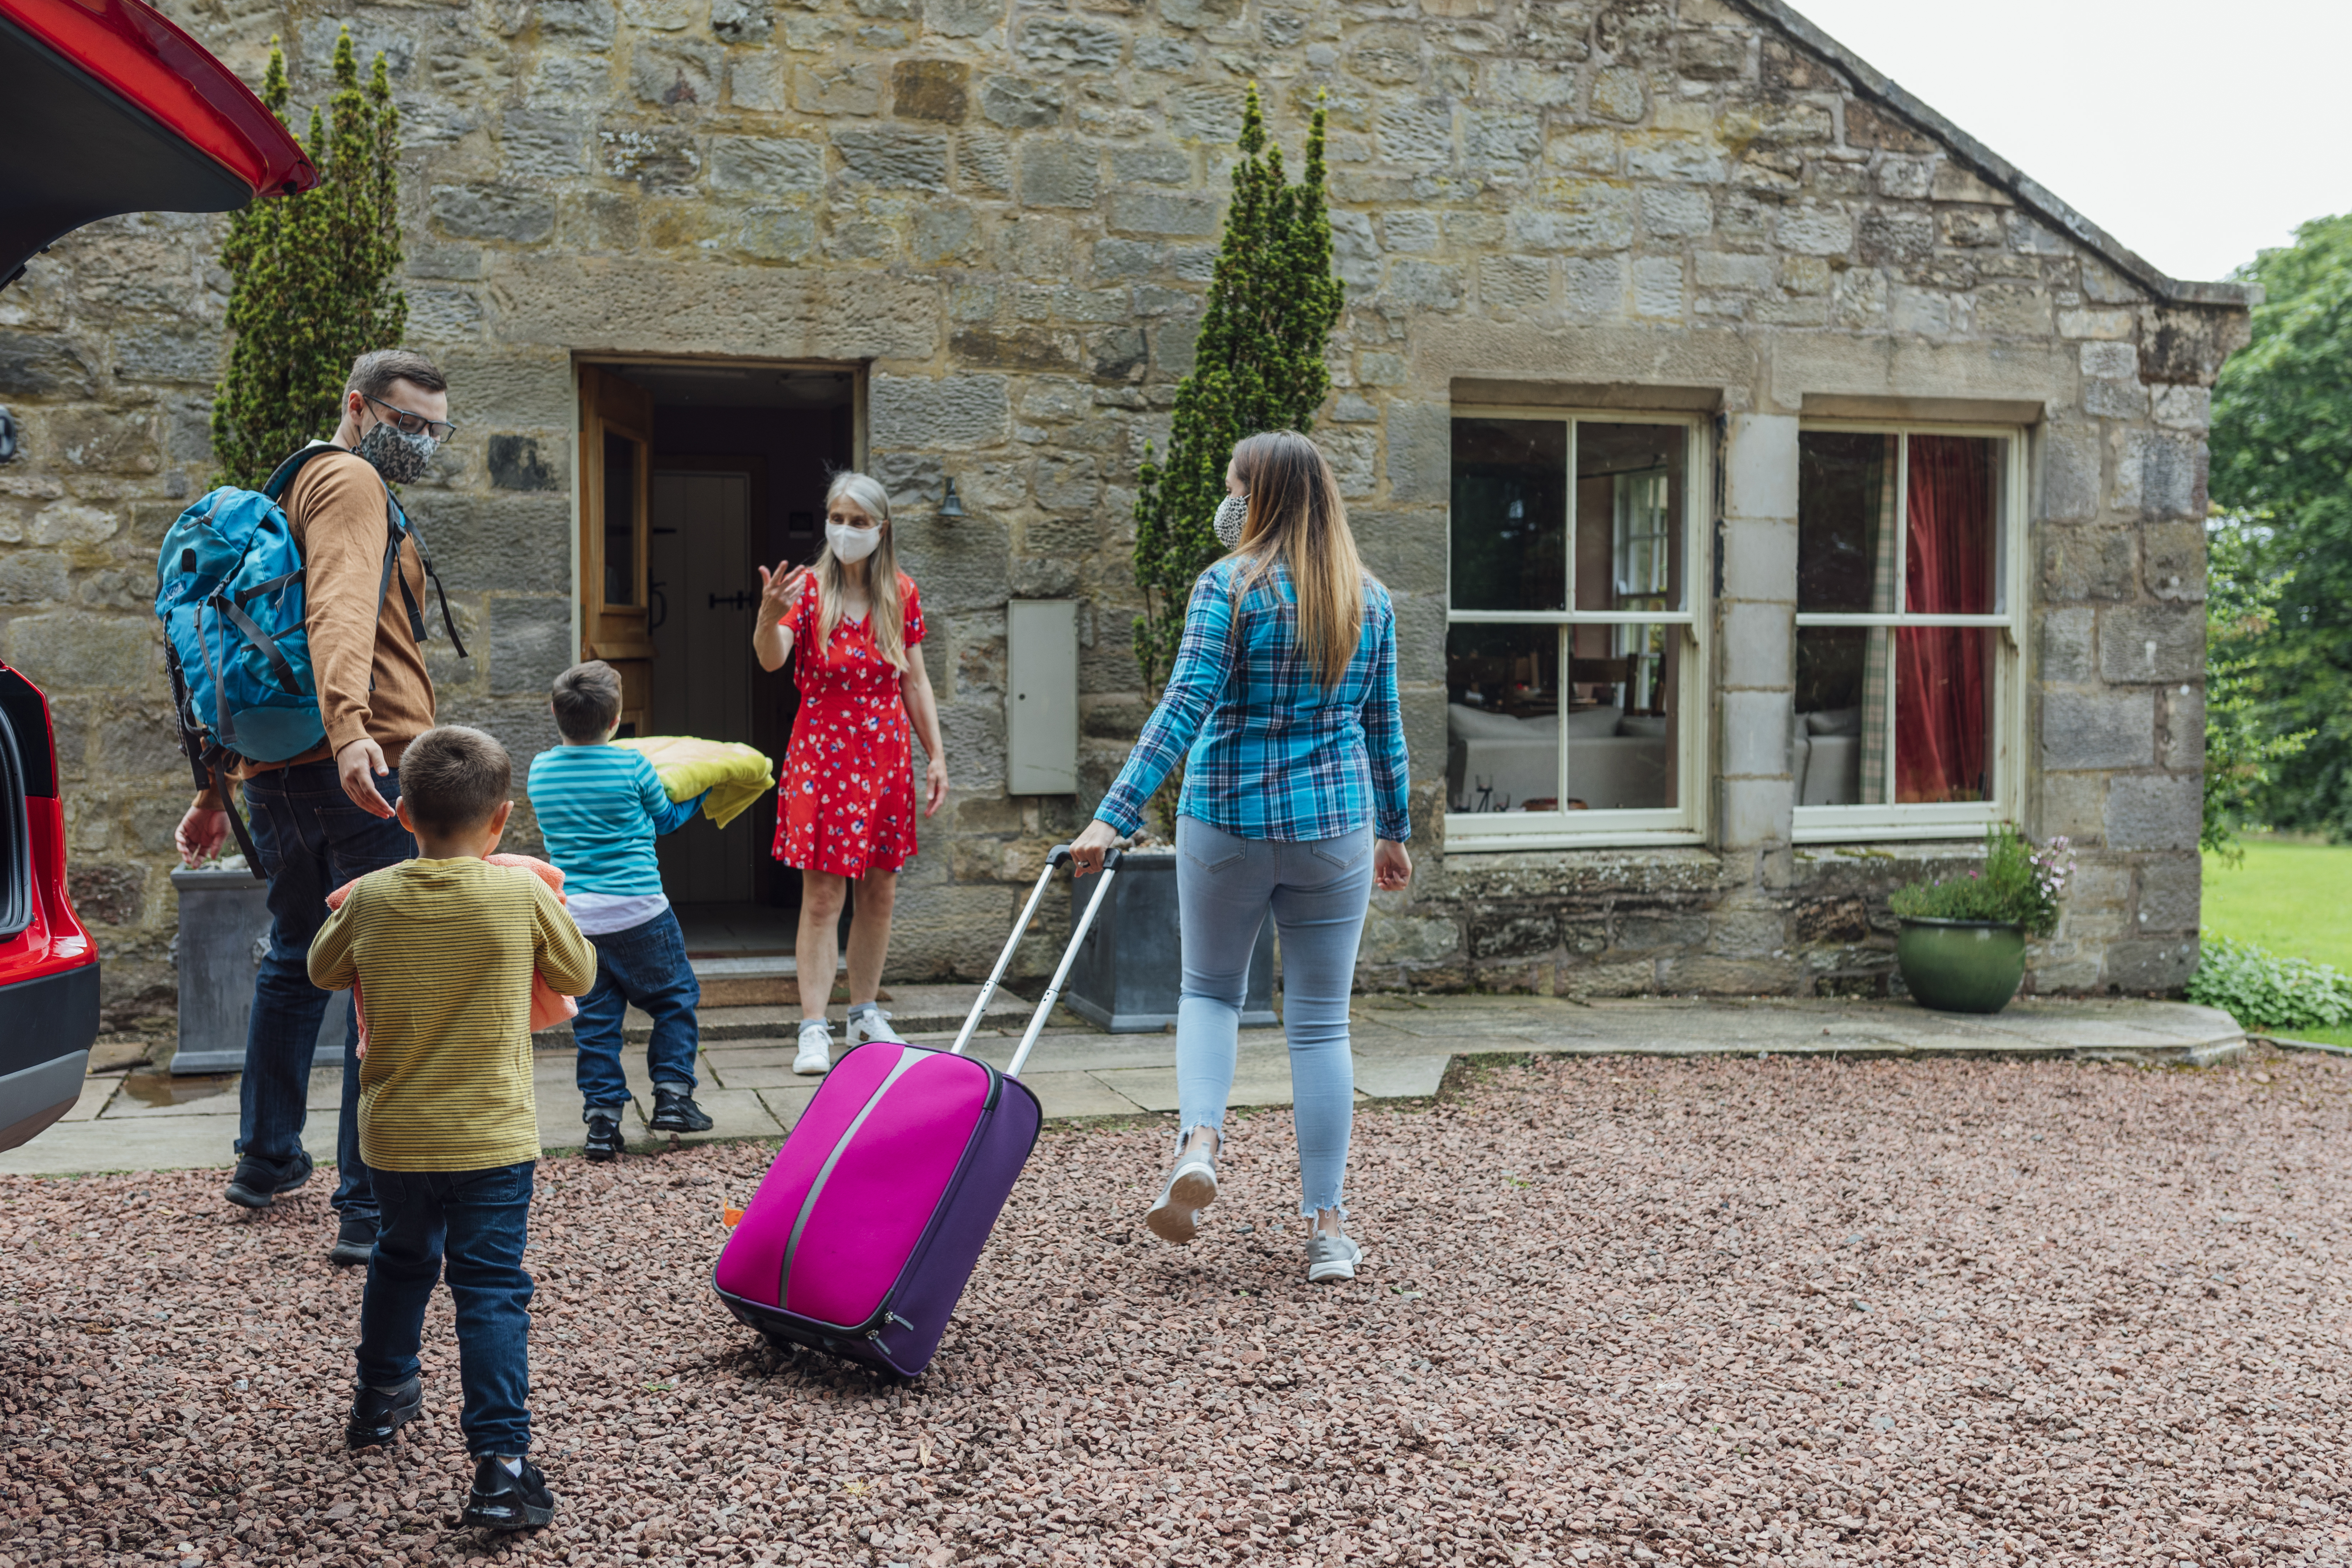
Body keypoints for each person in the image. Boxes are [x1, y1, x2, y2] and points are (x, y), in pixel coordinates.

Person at [1069, 431, 1411, 1285]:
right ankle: (1328, 1230)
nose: (1226, 501)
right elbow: (1386, 731)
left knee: (1210, 991)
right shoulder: (1368, 600)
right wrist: (1395, 831)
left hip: (1225, 819)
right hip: (1333, 827)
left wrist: (1113, 816)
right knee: (1321, 1023)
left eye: (1232, 488)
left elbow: (1182, 707)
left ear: (1256, 499)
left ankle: (1200, 1142)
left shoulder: (1227, 588)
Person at [174, 347, 456, 1265]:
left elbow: (238, 648)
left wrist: (213, 787)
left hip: (276, 774)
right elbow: (336, 611)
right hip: (362, 766)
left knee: (295, 955)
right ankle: (367, 1210)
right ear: (359, 407)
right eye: (408, 423)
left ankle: (264, 1159)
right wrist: (353, 733)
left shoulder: (290, 484)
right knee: (383, 977)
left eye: (435, 431)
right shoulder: (349, 483)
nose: (421, 443)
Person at [309, 725, 596, 1533]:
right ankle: (502, 1467)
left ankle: (380, 1398)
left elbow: (320, 970)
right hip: (492, 1138)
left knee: (401, 1260)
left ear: (403, 814)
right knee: (490, 1288)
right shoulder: (521, 893)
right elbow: (579, 974)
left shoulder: (370, 898)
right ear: (501, 820)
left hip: (396, 1137)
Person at [752, 472, 948, 1077]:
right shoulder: (808, 592)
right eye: (837, 518)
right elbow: (771, 658)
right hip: (824, 755)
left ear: (881, 529)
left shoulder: (902, 593)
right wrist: (767, 616)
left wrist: (937, 755)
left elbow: (914, 680)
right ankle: (813, 1027)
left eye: (859, 522)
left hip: (886, 755)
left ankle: (864, 1012)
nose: (845, 530)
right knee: (822, 898)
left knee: (880, 891)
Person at [527, 660, 713, 1160]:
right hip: (640, 912)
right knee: (675, 998)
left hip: (575, 920)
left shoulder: (540, 770)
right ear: (616, 721)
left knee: (594, 1021)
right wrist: (704, 794)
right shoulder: (633, 766)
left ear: (554, 713)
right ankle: (674, 1096)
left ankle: (602, 1121)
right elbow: (667, 819)